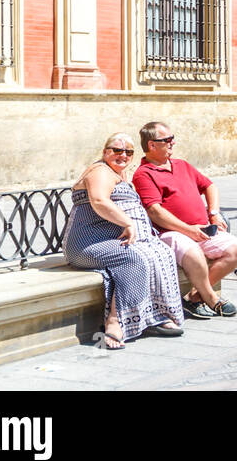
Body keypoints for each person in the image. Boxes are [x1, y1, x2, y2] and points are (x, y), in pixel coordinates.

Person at [63, 134, 184, 350]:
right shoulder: (100, 171)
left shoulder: (117, 173)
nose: (123, 155)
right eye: (117, 150)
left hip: (106, 239)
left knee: (158, 254)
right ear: (105, 151)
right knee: (133, 259)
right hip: (86, 244)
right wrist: (128, 223)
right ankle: (115, 321)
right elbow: (99, 201)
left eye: (128, 151)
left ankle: (152, 315)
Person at [133, 122, 237, 320]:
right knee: (194, 252)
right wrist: (188, 230)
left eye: (172, 138)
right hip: (170, 233)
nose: (173, 143)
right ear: (152, 145)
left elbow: (210, 186)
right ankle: (212, 299)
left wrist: (214, 213)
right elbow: (155, 212)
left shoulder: (182, 165)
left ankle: (194, 297)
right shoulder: (144, 174)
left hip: (202, 229)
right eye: (167, 140)